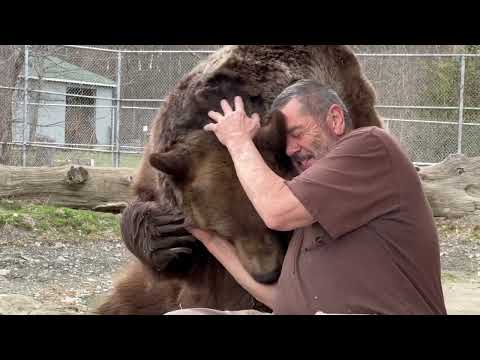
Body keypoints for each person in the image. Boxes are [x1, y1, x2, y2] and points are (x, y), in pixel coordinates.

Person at [130, 79, 448, 315]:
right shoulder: (309, 202)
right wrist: (211, 240)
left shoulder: (371, 146)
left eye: (297, 133)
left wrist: (239, 141)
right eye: (288, 141)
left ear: (335, 120)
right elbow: (276, 297)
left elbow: (276, 211)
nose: (292, 148)